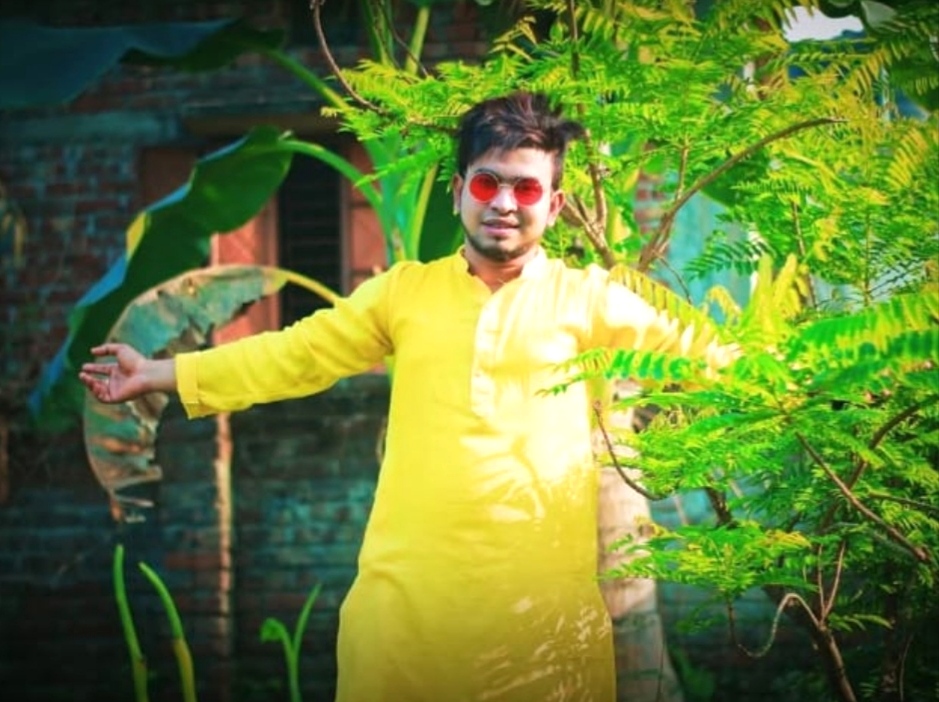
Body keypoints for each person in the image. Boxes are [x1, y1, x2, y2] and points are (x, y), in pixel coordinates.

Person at [80, 92, 727, 702]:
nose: (504, 203)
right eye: (487, 183)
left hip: (545, 632)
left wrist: (782, 383)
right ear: (458, 191)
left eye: (526, 188)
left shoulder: (589, 299)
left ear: (554, 206)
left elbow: (705, 354)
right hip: (403, 622)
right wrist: (161, 373)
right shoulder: (403, 293)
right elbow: (295, 354)